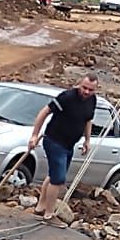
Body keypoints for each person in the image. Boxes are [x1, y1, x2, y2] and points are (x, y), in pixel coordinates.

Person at [28, 73, 98, 220]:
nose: (86, 92)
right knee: (58, 178)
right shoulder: (67, 97)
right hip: (53, 140)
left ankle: (40, 206)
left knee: (54, 175)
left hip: (69, 144)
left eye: (90, 90)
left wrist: (87, 140)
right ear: (80, 83)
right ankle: (49, 214)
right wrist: (34, 135)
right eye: (84, 88)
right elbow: (44, 112)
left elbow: (88, 120)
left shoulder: (92, 100)